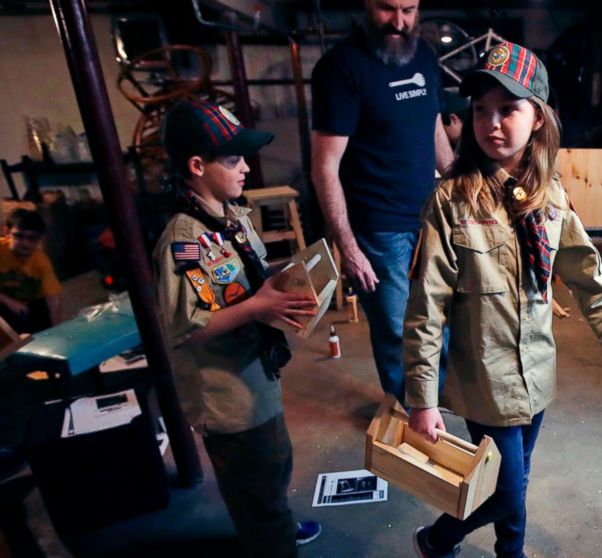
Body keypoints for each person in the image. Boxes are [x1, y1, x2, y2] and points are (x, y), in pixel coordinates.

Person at [404, 42, 602, 558]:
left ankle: (480, 544)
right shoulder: (451, 200)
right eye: (481, 110)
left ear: (537, 117)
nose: (492, 123)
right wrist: (422, 398)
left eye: (508, 109)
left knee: (517, 477)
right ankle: (453, 541)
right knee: (505, 488)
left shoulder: (549, 194)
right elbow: (426, 309)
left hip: (536, 371)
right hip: (485, 381)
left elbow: (587, 274)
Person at [152, 99, 321, 557]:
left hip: (256, 376)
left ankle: (275, 524)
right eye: (233, 159)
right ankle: (271, 540)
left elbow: (253, 279)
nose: (246, 167)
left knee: (273, 465)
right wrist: (257, 307)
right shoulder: (185, 239)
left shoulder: (233, 219)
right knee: (253, 477)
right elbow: (186, 329)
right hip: (228, 397)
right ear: (196, 166)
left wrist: (293, 281)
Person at [310, 0, 454, 403]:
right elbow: (325, 167)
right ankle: (408, 412)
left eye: (409, 9)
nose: (399, 21)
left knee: (439, 320)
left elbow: (434, 128)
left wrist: (462, 186)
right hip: (377, 227)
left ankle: (435, 404)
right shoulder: (341, 68)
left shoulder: (424, 56)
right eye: (387, 9)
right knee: (395, 329)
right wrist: (349, 247)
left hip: (430, 217)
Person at [0, 209, 62, 334]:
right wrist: (9, 301)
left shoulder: (41, 261)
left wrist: (58, 332)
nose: (25, 244)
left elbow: (53, 300)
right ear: (6, 231)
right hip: (4, 301)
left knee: (43, 333)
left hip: (32, 305)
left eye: (33, 238)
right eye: (19, 236)